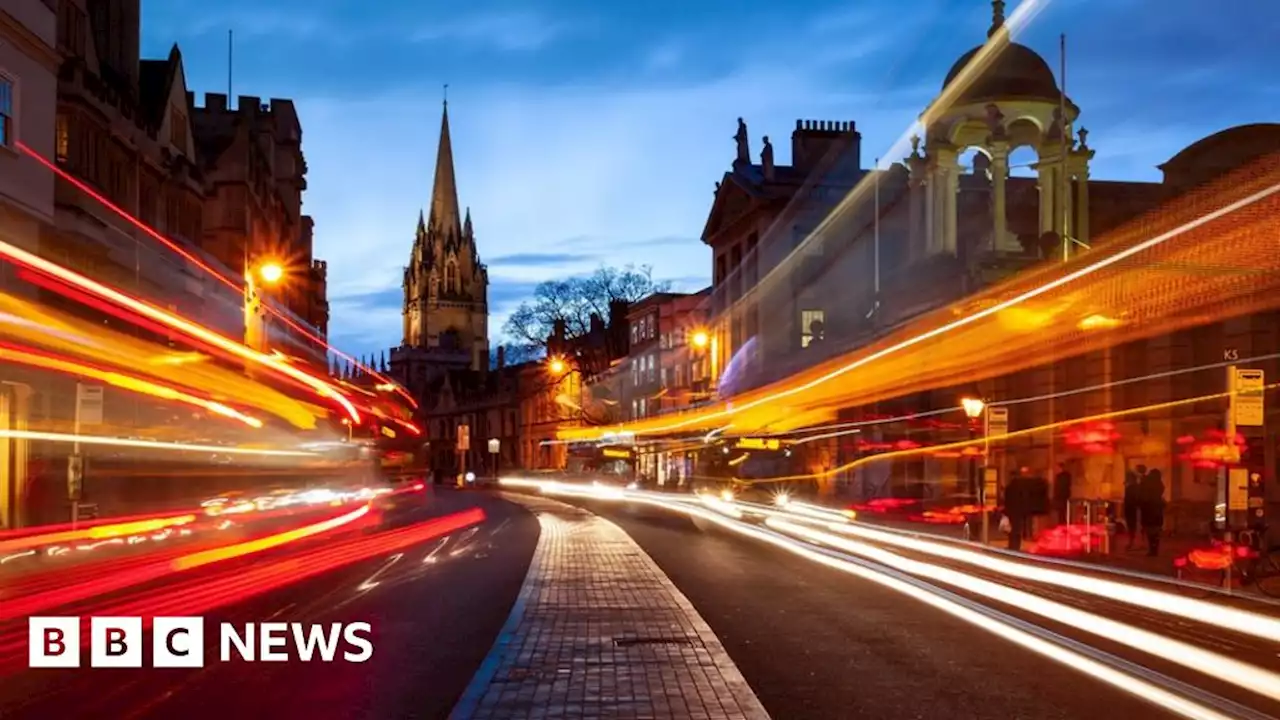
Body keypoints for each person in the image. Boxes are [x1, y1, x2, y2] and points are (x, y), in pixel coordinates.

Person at [1004, 467, 1034, 551]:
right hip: (1019, 511)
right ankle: (1016, 546)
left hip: (1011, 511)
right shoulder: (1021, 488)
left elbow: (1007, 500)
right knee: (1017, 529)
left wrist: (1006, 511)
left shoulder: (1009, 487)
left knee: (1012, 529)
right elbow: (1024, 499)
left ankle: (1012, 545)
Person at [1140, 468, 1166, 557]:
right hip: (1157, 512)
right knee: (1155, 533)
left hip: (1150, 511)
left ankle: (1152, 550)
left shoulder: (1151, 485)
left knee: (1151, 532)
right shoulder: (1159, 485)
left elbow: (1144, 487)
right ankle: (1154, 550)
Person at [1123, 465, 1145, 549]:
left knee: (1134, 527)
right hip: (1132, 509)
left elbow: (1134, 499)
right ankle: (1135, 543)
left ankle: (1135, 543)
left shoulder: (1133, 487)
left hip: (1133, 509)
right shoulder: (1133, 487)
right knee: (1133, 527)